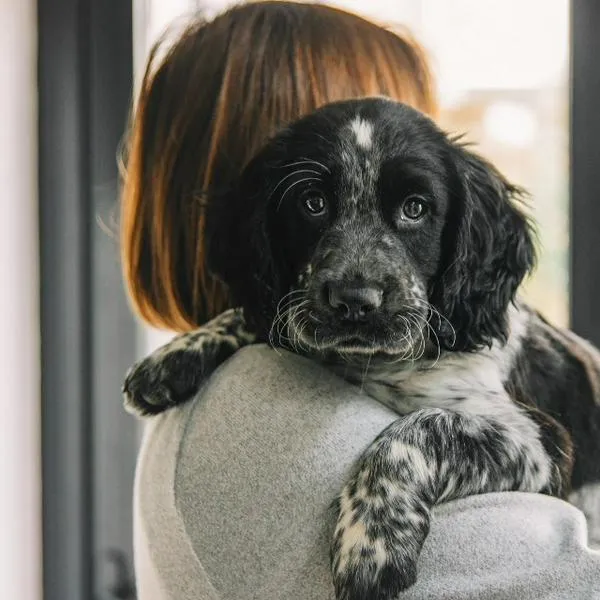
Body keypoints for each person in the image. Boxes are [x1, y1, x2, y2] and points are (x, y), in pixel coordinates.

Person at [121, 3, 600, 599]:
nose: (359, 285)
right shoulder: (273, 421)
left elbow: (538, 446)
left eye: (414, 208)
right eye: (315, 204)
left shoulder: (251, 401)